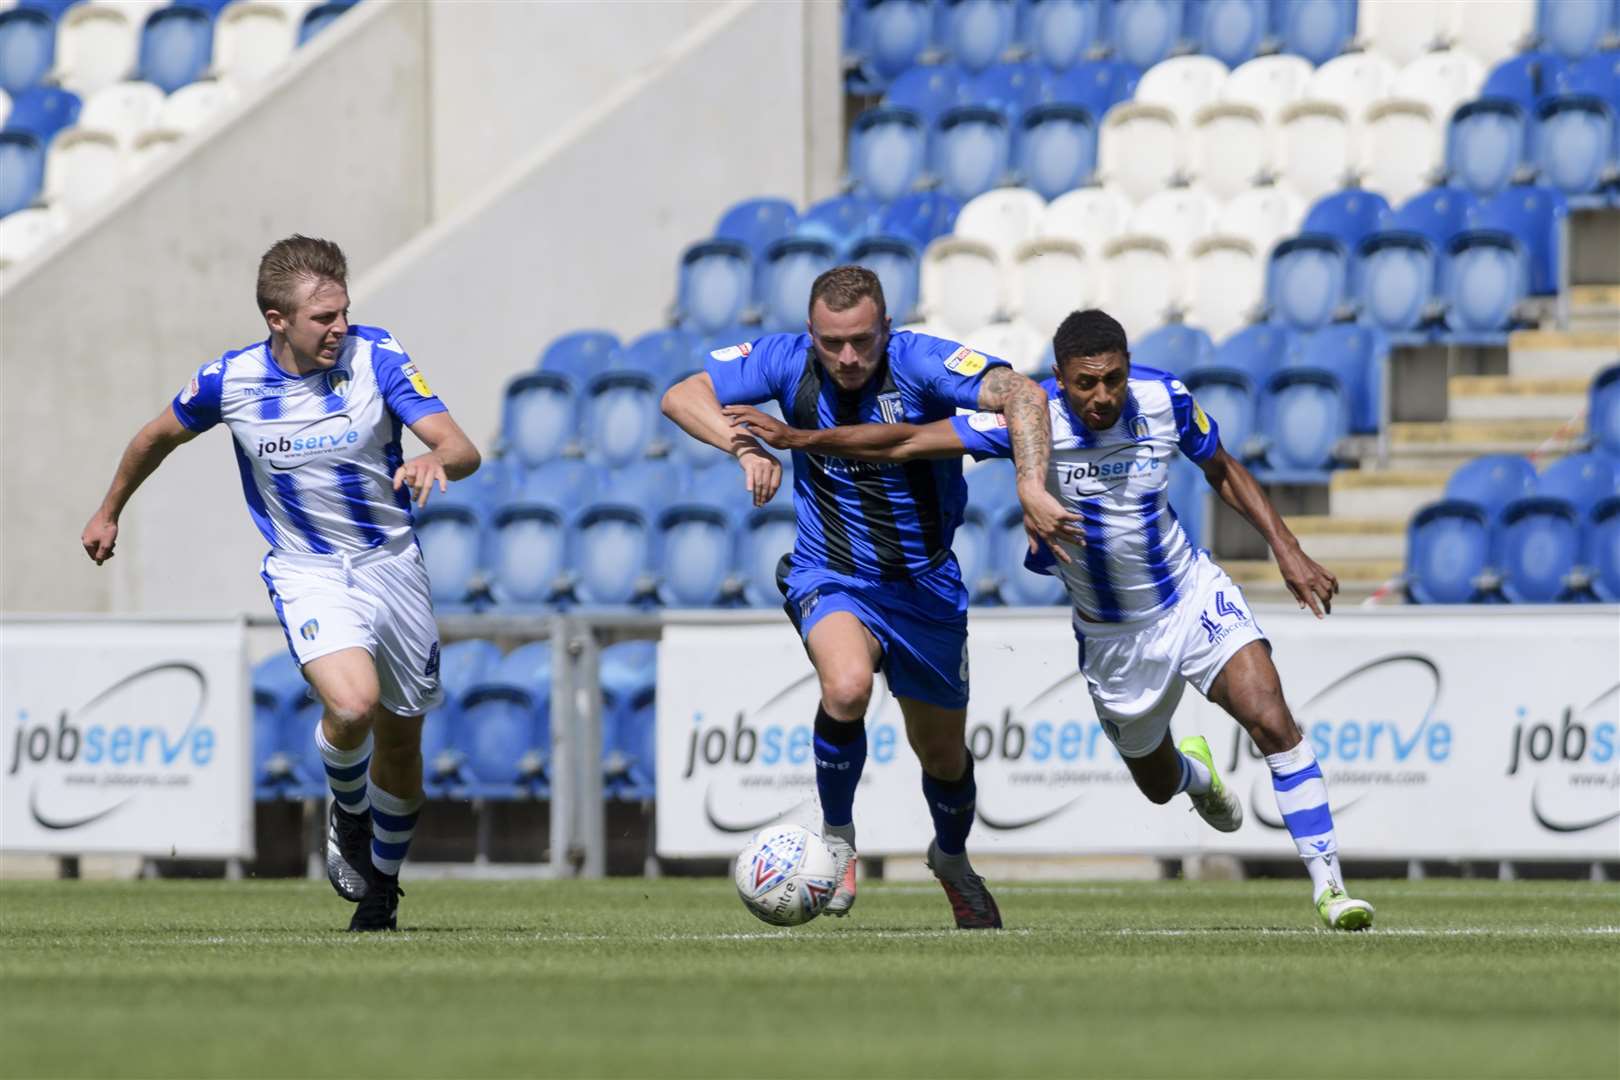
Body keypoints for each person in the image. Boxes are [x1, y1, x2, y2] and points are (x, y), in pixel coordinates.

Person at [726, 308, 1375, 931]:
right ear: (1059, 380)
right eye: (1086, 383)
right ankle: (1193, 774)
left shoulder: (1164, 397)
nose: (1103, 396)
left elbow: (1223, 467)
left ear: (1128, 368)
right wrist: (801, 440)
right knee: (1155, 783)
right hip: (1114, 637)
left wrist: (1286, 548)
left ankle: (1331, 890)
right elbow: (906, 440)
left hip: (1191, 595)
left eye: (1114, 378)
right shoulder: (1029, 422)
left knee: (1271, 719)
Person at [80, 235, 481, 932]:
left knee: (401, 742)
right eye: (323, 318)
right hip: (308, 570)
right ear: (277, 320)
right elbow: (154, 437)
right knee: (352, 707)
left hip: (393, 567)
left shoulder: (377, 355)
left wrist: (431, 459)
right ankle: (347, 811)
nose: (340, 328)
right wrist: (109, 508)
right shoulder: (229, 380)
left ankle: (382, 888)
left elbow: (462, 448)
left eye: (344, 312)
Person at [662, 266, 1071, 929]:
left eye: (860, 341)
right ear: (810, 334)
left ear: (886, 327)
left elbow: (1023, 394)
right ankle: (838, 838)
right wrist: (742, 447)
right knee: (847, 687)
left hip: (926, 586)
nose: (847, 358)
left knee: (942, 757)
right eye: (831, 343)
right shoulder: (785, 361)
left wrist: (1030, 483)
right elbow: (682, 395)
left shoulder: (921, 363)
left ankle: (952, 858)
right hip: (831, 573)